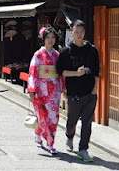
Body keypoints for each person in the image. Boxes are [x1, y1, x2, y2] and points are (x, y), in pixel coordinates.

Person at [56, 19, 99, 162]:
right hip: (74, 93)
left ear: (85, 32)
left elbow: (97, 72)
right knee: (72, 121)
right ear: (72, 32)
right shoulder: (66, 51)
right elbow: (60, 71)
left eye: (82, 31)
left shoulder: (92, 50)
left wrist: (95, 90)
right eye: (77, 31)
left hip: (89, 93)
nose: (79, 34)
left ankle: (83, 149)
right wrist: (76, 73)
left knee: (87, 123)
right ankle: (69, 137)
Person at [28, 27, 65, 155]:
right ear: (43, 39)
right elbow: (33, 73)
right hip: (41, 91)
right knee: (42, 116)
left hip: (54, 91)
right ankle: (48, 142)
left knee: (53, 117)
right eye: (48, 37)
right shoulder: (38, 55)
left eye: (53, 37)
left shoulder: (57, 55)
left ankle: (46, 139)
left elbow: (61, 74)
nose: (50, 40)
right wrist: (32, 90)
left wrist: (63, 88)